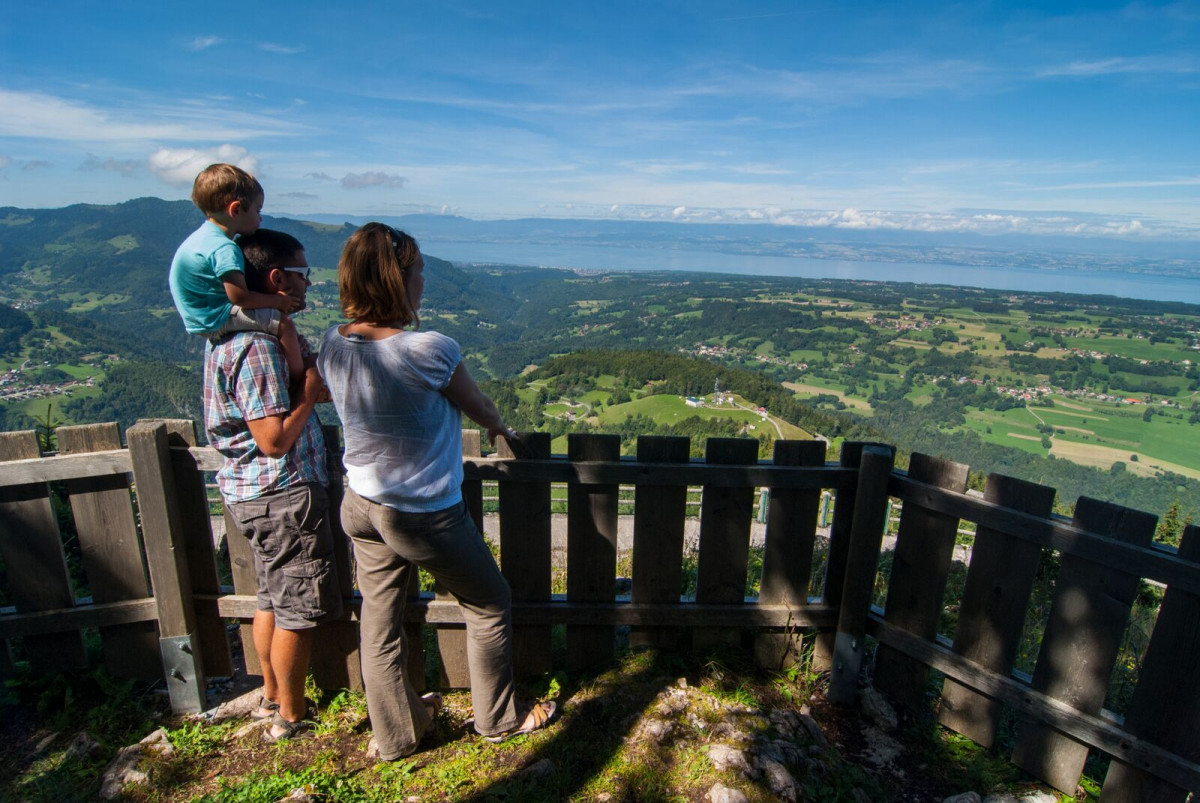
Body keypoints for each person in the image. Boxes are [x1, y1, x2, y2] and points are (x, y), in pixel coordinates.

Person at [317, 223, 556, 760]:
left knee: (379, 625)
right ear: (397, 280)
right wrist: (500, 430)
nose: (425, 277)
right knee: (490, 603)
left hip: (360, 503)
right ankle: (498, 719)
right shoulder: (429, 349)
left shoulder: (333, 342)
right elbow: (480, 408)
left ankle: (396, 737)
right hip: (422, 511)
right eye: (419, 268)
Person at [204, 227, 342, 743]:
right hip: (281, 492)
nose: (310, 285)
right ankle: (290, 716)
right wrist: (306, 394)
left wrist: (291, 344)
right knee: (297, 611)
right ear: (278, 277)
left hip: (251, 496)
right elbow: (274, 440)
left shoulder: (235, 338)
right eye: (304, 275)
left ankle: (269, 695)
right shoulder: (255, 350)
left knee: (270, 599)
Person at [170, 163, 304, 382]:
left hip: (199, 317)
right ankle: (299, 377)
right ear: (236, 209)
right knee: (284, 324)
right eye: (257, 211)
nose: (260, 218)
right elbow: (239, 297)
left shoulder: (202, 237)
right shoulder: (224, 247)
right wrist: (277, 301)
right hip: (215, 317)